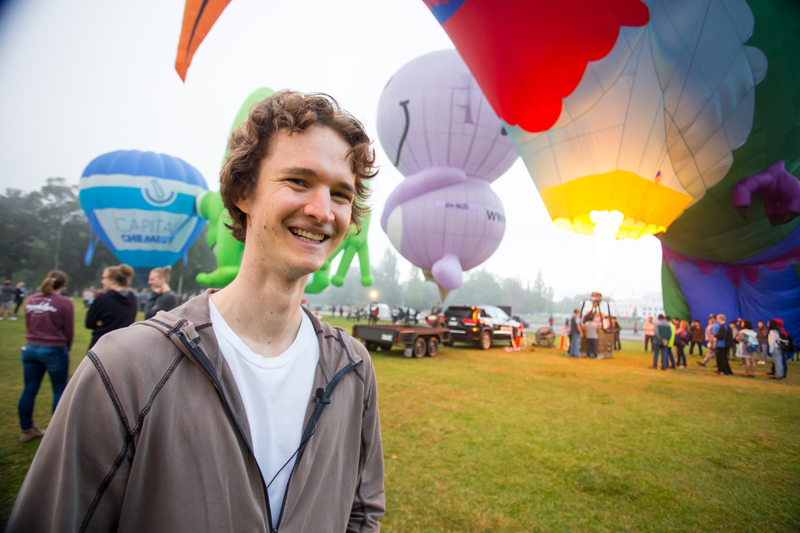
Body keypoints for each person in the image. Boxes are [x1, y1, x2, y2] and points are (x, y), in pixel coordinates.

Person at [8, 91, 385, 532]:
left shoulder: (353, 367)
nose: (322, 211)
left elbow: (361, 511)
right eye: (298, 181)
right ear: (243, 191)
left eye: (341, 194)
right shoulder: (126, 368)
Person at [16, 270, 73, 444]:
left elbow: (28, 323)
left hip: (30, 348)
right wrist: (66, 348)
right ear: (63, 285)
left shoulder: (31, 299)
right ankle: (57, 434)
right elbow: (68, 330)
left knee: (29, 389)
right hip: (54, 349)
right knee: (59, 389)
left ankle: (27, 430)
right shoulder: (64, 302)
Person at [85, 264, 138, 350]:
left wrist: (100, 322)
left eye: (104, 278)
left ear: (113, 280)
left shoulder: (103, 299)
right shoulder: (132, 297)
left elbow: (89, 323)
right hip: (123, 347)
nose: (102, 281)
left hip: (101, 347)